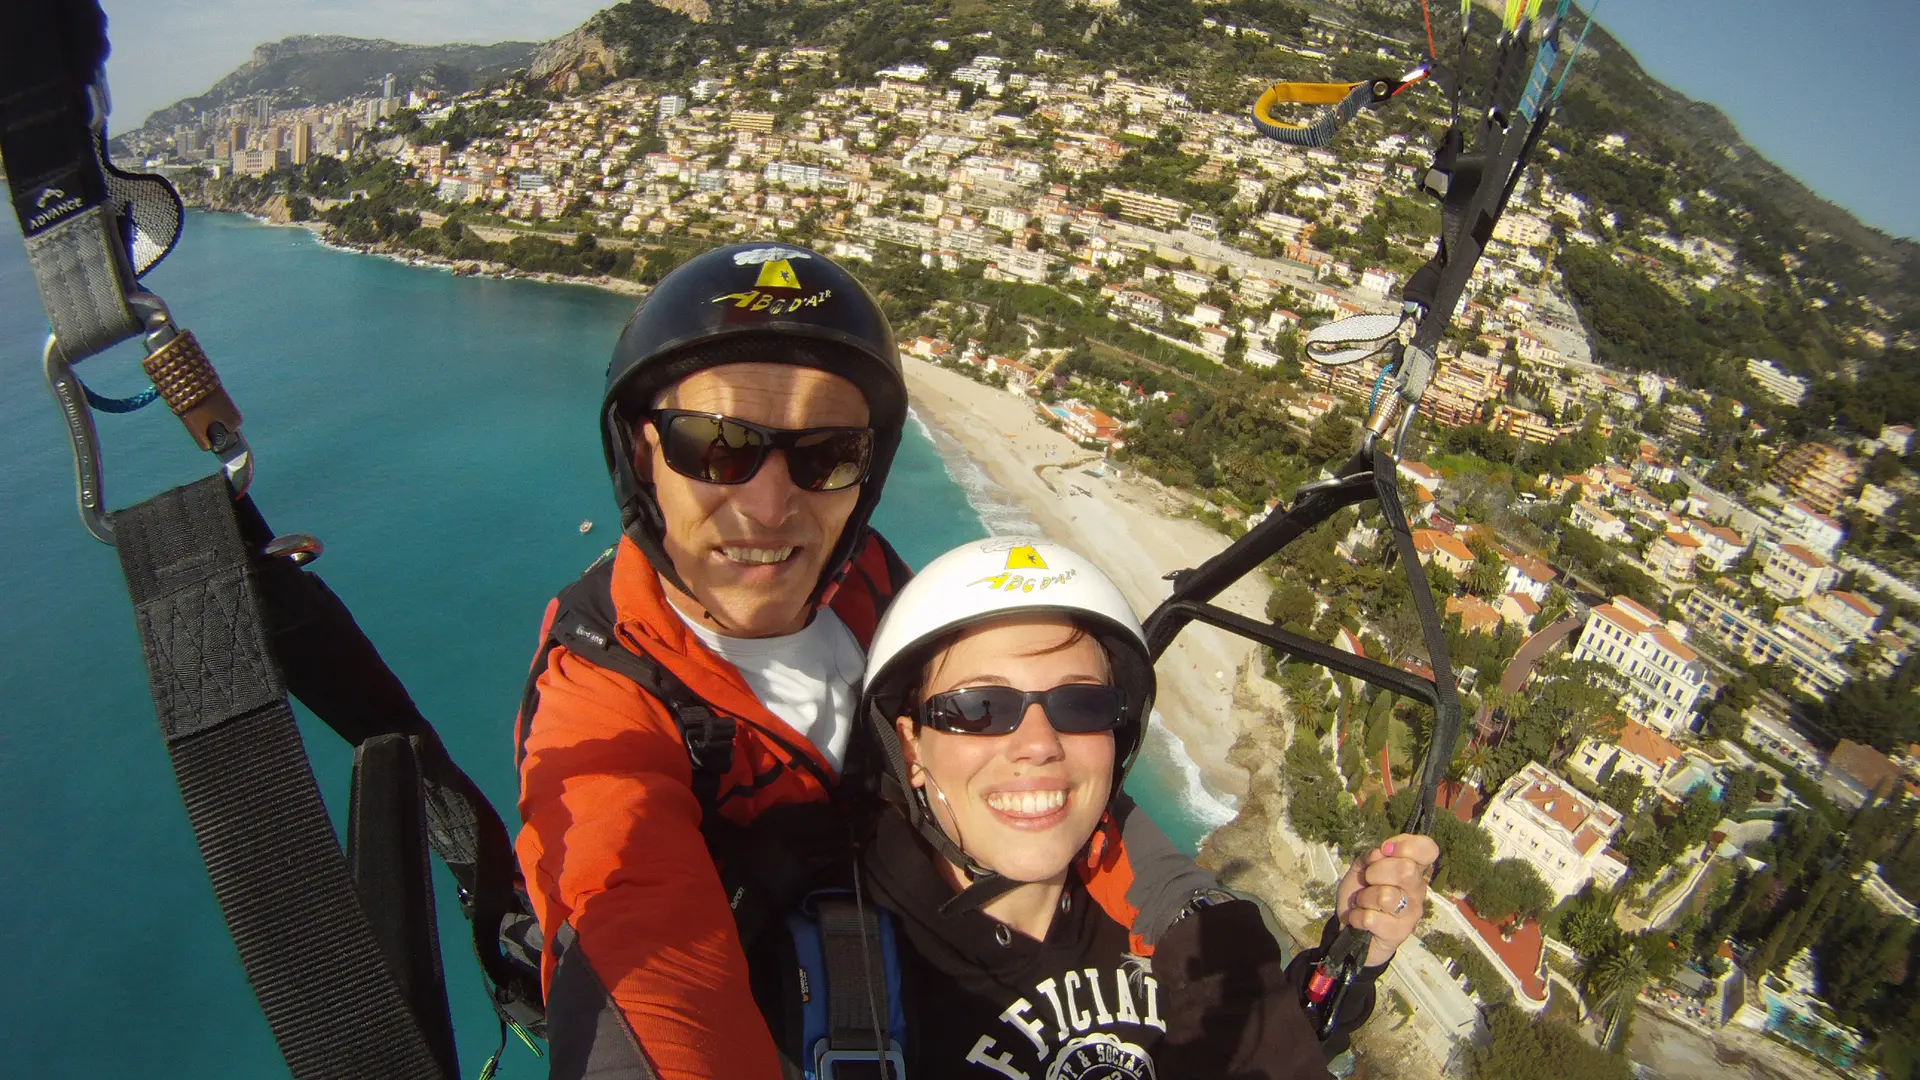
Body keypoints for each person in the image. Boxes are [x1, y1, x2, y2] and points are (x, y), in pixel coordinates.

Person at [513, 244, 1222, 1080]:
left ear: (866, 471)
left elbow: (1035, 753)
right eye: (716, 447)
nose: (772, 506)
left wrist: (1207, 932)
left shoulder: (871, 586)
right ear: (642, 456)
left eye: (826, 455)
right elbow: (630, 922)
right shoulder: (602, 695)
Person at [767, 537, 1439, 1080]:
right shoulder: (798, 972)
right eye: (979, 708)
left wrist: (1347, 959)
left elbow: (1248, 1048)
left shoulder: (1165, 923)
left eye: (1079, 704)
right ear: (910, 744)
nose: (1037, 744)